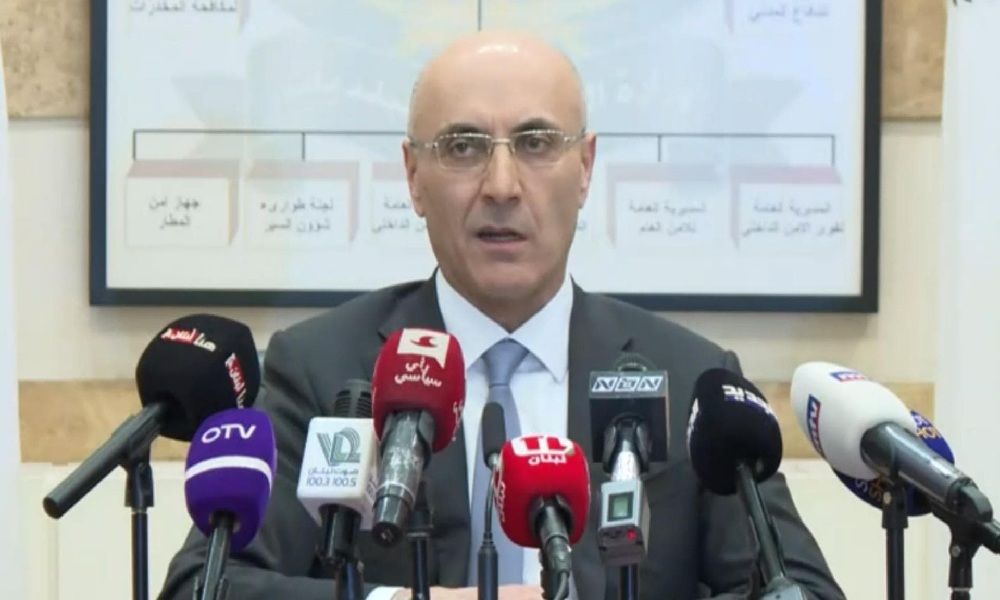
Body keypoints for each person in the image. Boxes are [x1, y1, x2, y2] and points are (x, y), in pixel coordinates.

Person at [159, 30, 845, 600]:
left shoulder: (687, 375)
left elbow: (801, 591)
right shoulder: (322, 367)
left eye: (536, 142)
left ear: (585, 167)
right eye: (462, 147)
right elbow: (204, 586)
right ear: (412, 177)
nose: (502, 186)